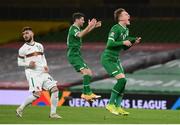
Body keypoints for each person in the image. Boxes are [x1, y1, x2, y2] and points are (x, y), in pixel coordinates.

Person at [101, 8, 141, 115]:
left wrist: (132, 43)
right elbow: (110, 44)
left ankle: (118, 107)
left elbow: (124, 47)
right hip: (108, 58)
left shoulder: (126, 30)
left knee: (123, 82)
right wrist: (124, 41)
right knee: (122, 81)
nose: (128, 16)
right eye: (126, 14)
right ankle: (110, 104)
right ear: (121, 18)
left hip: (116, 59)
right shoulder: (116, 28)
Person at [16, 27, 61, 119]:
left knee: (55, 89)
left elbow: (43, 57)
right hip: (32, 73)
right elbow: (19, 63)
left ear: (32, 34)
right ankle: (20, 108)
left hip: (42, 72)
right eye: (24, 34)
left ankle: (53, 114)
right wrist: (28, 63)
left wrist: (45, 65)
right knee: (37, 94)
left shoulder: (40, 45)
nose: (25, 35)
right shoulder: (22, 49)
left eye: (27, 33)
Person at [67, 12, 101, 101]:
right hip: (73, 55)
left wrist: (93, 27)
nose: (83, 21)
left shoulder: (76, 28)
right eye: (82, 20)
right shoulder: (73, 28)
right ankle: (87, 93)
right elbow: (80, 34)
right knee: (86, 72)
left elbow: (83, 33)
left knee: (89, 73)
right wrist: (89, 26)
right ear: (77, 20)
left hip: (77, 55)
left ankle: (86, 94)